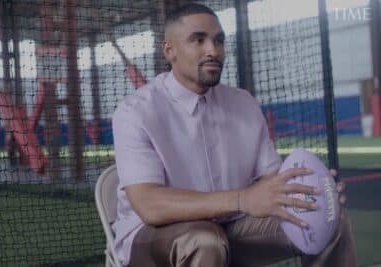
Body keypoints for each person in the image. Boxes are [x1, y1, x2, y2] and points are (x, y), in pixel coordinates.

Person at [112, 3, 357, 267]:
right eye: (199, 40)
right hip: (154, 236)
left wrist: (313, 194)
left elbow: (271, 178)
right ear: (169, 50)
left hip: (232, 226)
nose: (213, 51)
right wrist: (242, 199)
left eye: (219, 41)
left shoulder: (244, 104)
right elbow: (149, 205)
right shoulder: (135, 111)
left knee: (328, 221)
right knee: (204, 240)